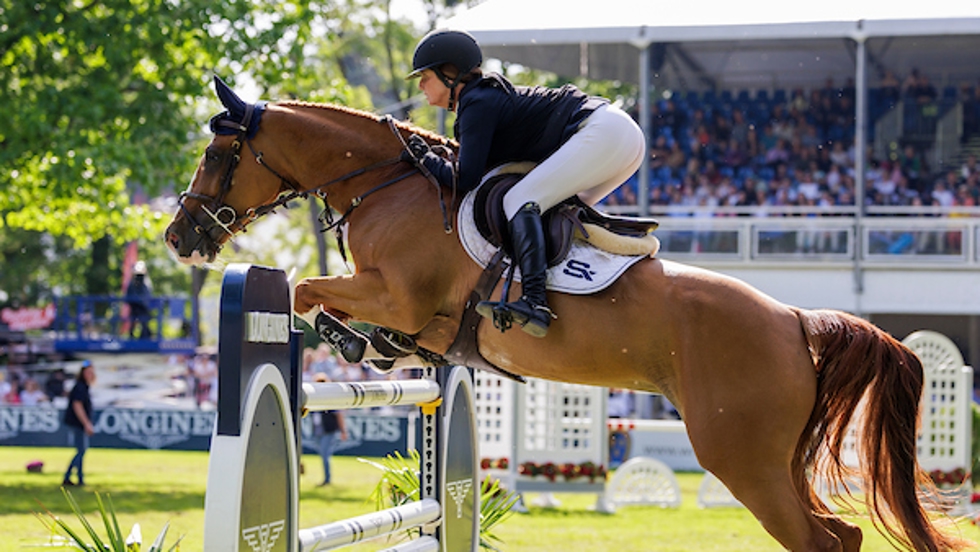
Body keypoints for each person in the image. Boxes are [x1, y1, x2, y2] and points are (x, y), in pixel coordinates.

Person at [405, 29, 645, 337]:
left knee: (518, 201)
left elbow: (466, 179)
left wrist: (425, 160)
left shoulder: (475, 102)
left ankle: (534, 300)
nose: (422, 85)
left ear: (450, 74)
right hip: (621, 136)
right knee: (549, 209)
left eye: (425, 76)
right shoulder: (481, 98)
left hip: (603, 132)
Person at [63, 360, 96, 486]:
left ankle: (79, 478)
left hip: (78, 423)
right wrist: (86, 423)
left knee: (81, 451)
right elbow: (77, 405)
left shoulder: (82, 386)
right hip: (77, 423)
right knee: (81, 451)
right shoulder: (80, 387)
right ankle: (68, 476)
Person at [312, 373, 347, 486]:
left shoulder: (330, 399)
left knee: (325, 454)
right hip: (318, 430)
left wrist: (343, 431)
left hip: (328, 430)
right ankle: (326, 478)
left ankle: (327, 479)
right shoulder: (314, 398)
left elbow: (339, 415)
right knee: (323, 454)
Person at [125, 260, 153, 339]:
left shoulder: (145, 282)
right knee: (133, 322)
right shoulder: (132, 283)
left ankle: (145, 336)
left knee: (144, 322)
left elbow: (147, 295)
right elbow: (129, 294)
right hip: (135, 306)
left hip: (142, 307)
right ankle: (132, 337)